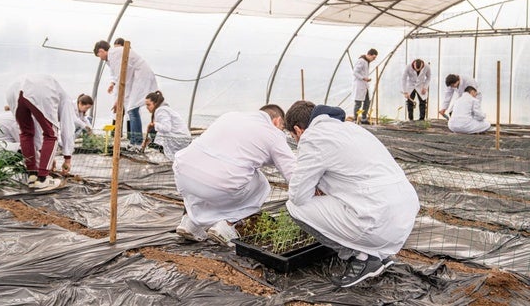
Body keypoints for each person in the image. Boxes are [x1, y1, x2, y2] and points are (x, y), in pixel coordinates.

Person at [284, 100, 419, 288]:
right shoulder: (352, 128)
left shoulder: (313, 136)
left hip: (377, 220)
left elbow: (297, 194)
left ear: (298, 130)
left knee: (294, 207)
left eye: (293, 136)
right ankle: (380, 255)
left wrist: (314, 188)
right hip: (405, 215)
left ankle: (362, 257)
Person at [173, 104, 296, 246]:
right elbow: (293, 174)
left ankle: (190, 223)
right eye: (282, 128)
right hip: (218, 182)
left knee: (202, 171)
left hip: (182, 173)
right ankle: (226, 226)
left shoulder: (230, 116)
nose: (281, 131)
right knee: (261, 184)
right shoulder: (272, 133)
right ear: (277, 121)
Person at [6, 74, 76, 190]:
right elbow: (67, 128)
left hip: (13, 89)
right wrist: (67, 158)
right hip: (39, 90)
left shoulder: (50, 98)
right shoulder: (66, 101)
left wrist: (46, 158)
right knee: (51, 134)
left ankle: (32, 176)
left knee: (26, 133)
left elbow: (37, 134)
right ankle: (43, 179)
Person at [94, 38, 158, 150]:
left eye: (99, 55)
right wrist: (118, 99)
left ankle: (137, 143)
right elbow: (120, 78)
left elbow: (121, 78)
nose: (100, 58)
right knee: (131, 109)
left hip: (141, 77)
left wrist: (119, 99)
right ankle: (134, 142)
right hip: (137, 78)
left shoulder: (114, 54)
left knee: (132, 109)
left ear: (101, 51)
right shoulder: (113, 57)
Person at [142, 90, 191, 160]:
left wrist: (153, 124)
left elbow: (166, 128)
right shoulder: (163, 109)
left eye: (148, 105)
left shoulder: (161, 110)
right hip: (183, 137)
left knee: (154, 129)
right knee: (154, 129)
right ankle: (156, 151)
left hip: (180, 139)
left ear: (155, 103)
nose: (147, 107)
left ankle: (157, 154)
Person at [352, 48, 378, 124]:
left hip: (364, 85)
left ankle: (364, 118)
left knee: (367, 102)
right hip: (359, 85)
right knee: (358, 103)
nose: (374, 59)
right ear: (369, 55)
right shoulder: (361, 61)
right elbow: (355, 72)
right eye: (373, 57)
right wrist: (363, 78)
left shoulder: (366, 62)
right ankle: (355, 119)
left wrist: (365, 79)